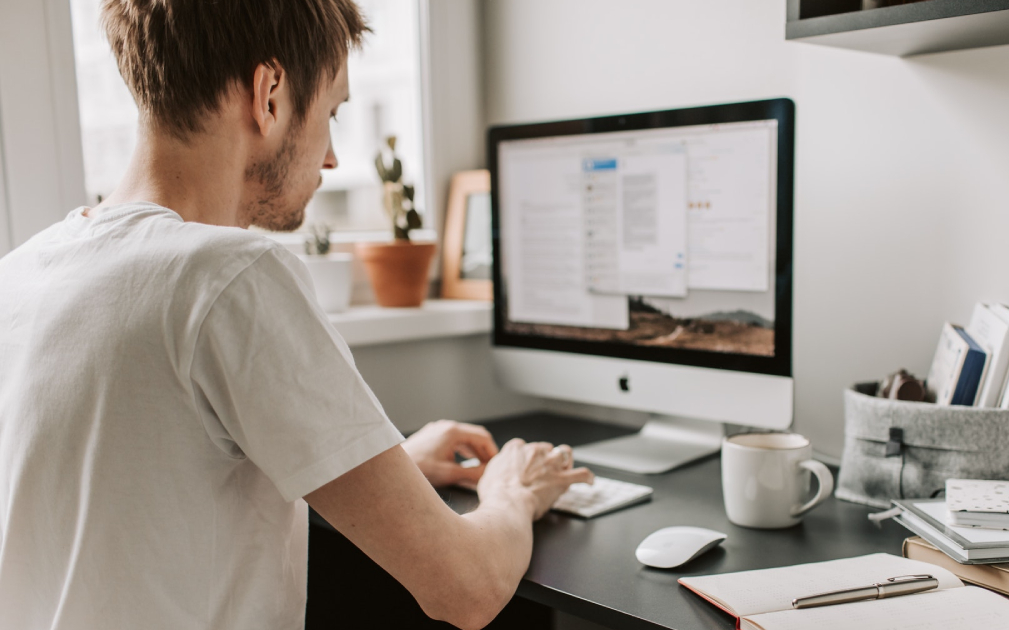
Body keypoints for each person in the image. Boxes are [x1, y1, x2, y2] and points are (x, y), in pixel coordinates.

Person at [0, 1, 592, 629]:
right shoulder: (230, 275)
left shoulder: (21, 275)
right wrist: (512, 492)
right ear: (270, 94)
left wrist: (388, 468)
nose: (333, 157)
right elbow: (468, 589)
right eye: (333, 112)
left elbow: (136, 494)